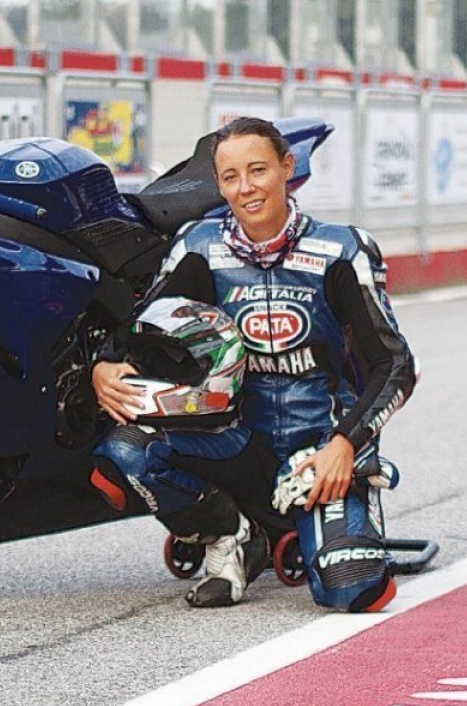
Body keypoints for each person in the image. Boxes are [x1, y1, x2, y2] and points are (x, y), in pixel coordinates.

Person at [89, 116, 417, 611]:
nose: (246, 188)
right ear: (219, 185)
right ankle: (233, 535)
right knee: (126, 452)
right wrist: (103, 366)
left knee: (354, 588)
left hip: (318, 450)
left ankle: (327, 526)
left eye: (258, 170)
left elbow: (394, 364)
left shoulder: (341, 250)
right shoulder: (198, 247)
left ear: (287, 167)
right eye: (231, 177)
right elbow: (139, 328)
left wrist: (345, 444)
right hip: (237, 442)